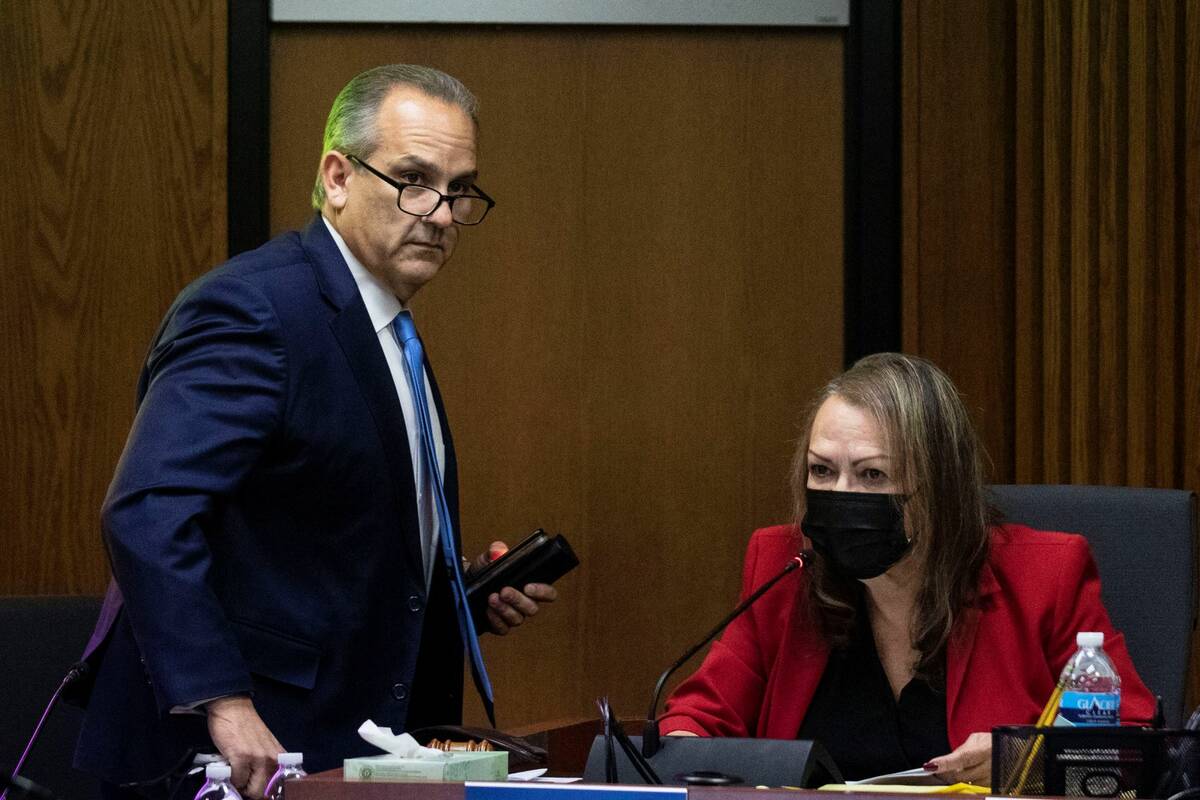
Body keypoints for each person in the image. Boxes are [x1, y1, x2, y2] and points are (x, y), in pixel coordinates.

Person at [73, 65, 557, 799]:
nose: (440, 213)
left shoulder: (387, 329)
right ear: (336, 176)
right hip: (235, 756)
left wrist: (457, 588)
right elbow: (148, 511)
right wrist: (224, 702)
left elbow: (313, 534)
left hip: (344, 747)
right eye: (413, 179)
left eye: (460, 190)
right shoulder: (256, 308)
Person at [658, 353, 1154, 784]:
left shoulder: (1045, 576)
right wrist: (682, 746)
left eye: (872, 474)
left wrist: (1023, 759)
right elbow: (697, 721)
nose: (840, 496)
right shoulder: (783, 569)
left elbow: (1137, 748)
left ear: (940, 489)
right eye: (822, 471)